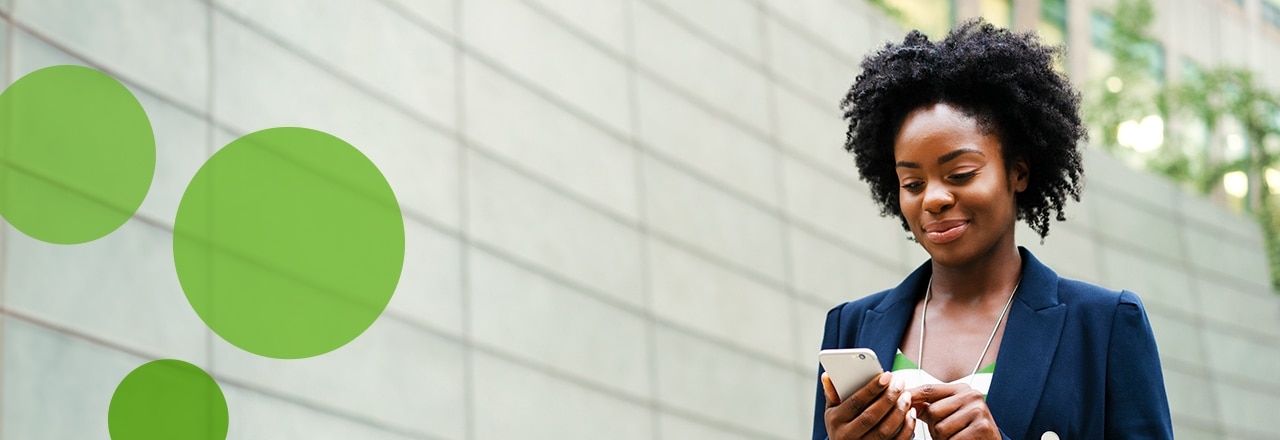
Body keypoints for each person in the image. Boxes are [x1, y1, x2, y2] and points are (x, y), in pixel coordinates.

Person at [812, 19, 1173, 440]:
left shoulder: (1104, 326)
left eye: (961, 174)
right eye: (912, 184)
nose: (933, 199)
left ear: (1017, 172)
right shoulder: (851, 327)